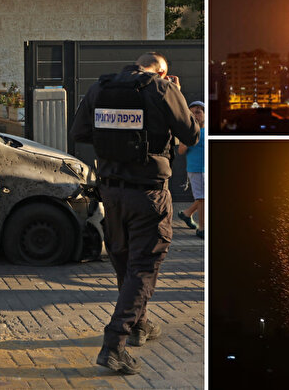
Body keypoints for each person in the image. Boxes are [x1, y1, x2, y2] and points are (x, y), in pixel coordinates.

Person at [70, 52, 200, 374]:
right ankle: (114, 345)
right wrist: (176, 95)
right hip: (148, 193)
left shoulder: (100, 88)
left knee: (125, 261)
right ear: (162, 71)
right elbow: (191, 135)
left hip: (111, 191)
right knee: (143, 267)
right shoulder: (162, 90)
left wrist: (115, 141)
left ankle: (139, 325)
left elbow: (79, 133)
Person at [177, 101, 205, 239]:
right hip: (197, 170)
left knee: (204, 198)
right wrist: (188, 138)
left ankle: (186, 214)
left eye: (198, 112)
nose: (195, 115)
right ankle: (202, 229)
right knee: (203, 199)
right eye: (192, 113)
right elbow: (181, 151)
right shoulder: (188, 132)